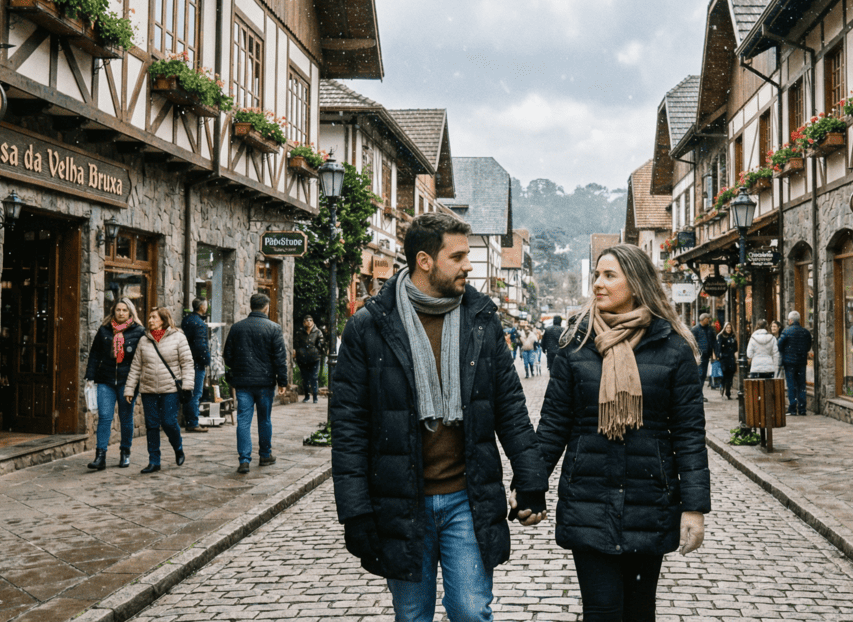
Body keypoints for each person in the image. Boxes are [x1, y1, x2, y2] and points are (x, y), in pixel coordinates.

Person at [329, 212, 549, 622]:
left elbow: (511, 410)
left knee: (470, 610)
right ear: (425, 261)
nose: (469, 265)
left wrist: (531, 480)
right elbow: (349, 426)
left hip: (468, 497)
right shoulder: (369, 326)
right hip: (400, 500)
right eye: (459, 256)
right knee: (412, 616)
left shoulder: (480, 320)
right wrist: (355, 511)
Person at [537, 244, 709, 621]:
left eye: (609, 275)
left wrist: (694, 508)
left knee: (638, 612)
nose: (598, 283)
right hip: (589, 499)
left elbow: (689, 434)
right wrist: (531, 486)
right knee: (601, 612)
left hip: (650, 502)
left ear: (636, 283)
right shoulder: (575, 344)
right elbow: (553, 426)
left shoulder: (672, 348)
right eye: (597, 275)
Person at [222, 293, 288, 474]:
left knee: (243, 419)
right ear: (266, 308)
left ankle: (244, 460)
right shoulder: (274, 328)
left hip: (243, 382)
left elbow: (227, 356)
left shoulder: (237, 328)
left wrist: (239, 367)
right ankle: (265, 454)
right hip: (265, 382)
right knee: (264, 419)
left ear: (251, 307)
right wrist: (282, 381)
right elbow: (280, 358)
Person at [124, 307, 195, 474]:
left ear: (163, 319)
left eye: (154, 317)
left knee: (169, 422)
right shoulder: (144, 340)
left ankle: (178, 448)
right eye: (149, 317)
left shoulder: (178, 338)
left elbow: (187, 363)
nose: (150, 320)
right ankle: (154, 461)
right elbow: (135, 367)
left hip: (170, 389)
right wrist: (129, 389)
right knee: (152, 425)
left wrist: (187, 385)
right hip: (148, 390)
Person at [84, 298, 144, 471]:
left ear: (130, 313)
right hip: (106, 380)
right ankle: (100, 456)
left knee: (126, 417)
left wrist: (137, 382)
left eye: (125, 310)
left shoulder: (139, 331)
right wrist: (90, 377)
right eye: (118, 310)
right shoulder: (104, 330)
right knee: (104, 417)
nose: (121, 313)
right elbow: (95, 354)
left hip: (127, 381)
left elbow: (142, 359)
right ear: (113, 311)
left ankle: (125, 452)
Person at [180, 298, 211, 432]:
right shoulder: (200, 324)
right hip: (196, 362)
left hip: (185, 360)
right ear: (202, 307)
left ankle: (189, 420)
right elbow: (201, 346)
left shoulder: (186, 320)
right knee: (195, 393)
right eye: (206, 305)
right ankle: (193, 422)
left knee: (188, 391)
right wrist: (206, 361)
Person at [776, 312, 812, 415]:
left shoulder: (786, 331)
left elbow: (779, 345)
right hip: (801, 362)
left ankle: (792, 407)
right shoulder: (805, 332)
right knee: (801, 385)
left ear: (790, 320)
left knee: (791, 384)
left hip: (789, 362)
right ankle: (802, 408)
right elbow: (808, 346)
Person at [294, 314, 325, 403]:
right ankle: (307, 396)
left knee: (314, 377)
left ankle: (315, 397)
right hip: (302, 358)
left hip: (314, 358)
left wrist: (319, 346)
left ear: (313, 322)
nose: (308, 322)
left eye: (310, 320)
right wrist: (297, 351)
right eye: (306, 320)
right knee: (305, 378)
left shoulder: (318, 332)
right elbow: (296, 344)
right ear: (304, 323)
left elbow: (321, 343)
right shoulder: (300, 333)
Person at [691, 313, 719, 389]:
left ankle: (700, 392)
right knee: (700, 374)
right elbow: (692, 342)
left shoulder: (710, 329)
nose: (709, 320)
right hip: (699, 355)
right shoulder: (695, 329)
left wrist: (716, 353)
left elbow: (714, 342)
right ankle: (699, 393)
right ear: (702, 320)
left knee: (703, 375)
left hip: (706, 355)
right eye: (707, 319)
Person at [718, 322, 738, 400]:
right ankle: (722, 385)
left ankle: (728, 393)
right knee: (725, 375)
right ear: (725, 328)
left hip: (731, 358)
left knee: (730, 376)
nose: (729, 329)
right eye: (727, 328)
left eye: (730, 328)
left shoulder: (733, 337)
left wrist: (736, 358)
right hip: (724, 359)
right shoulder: (721, 336)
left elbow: (735, 349)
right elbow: (719, 348)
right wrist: (720, 356)